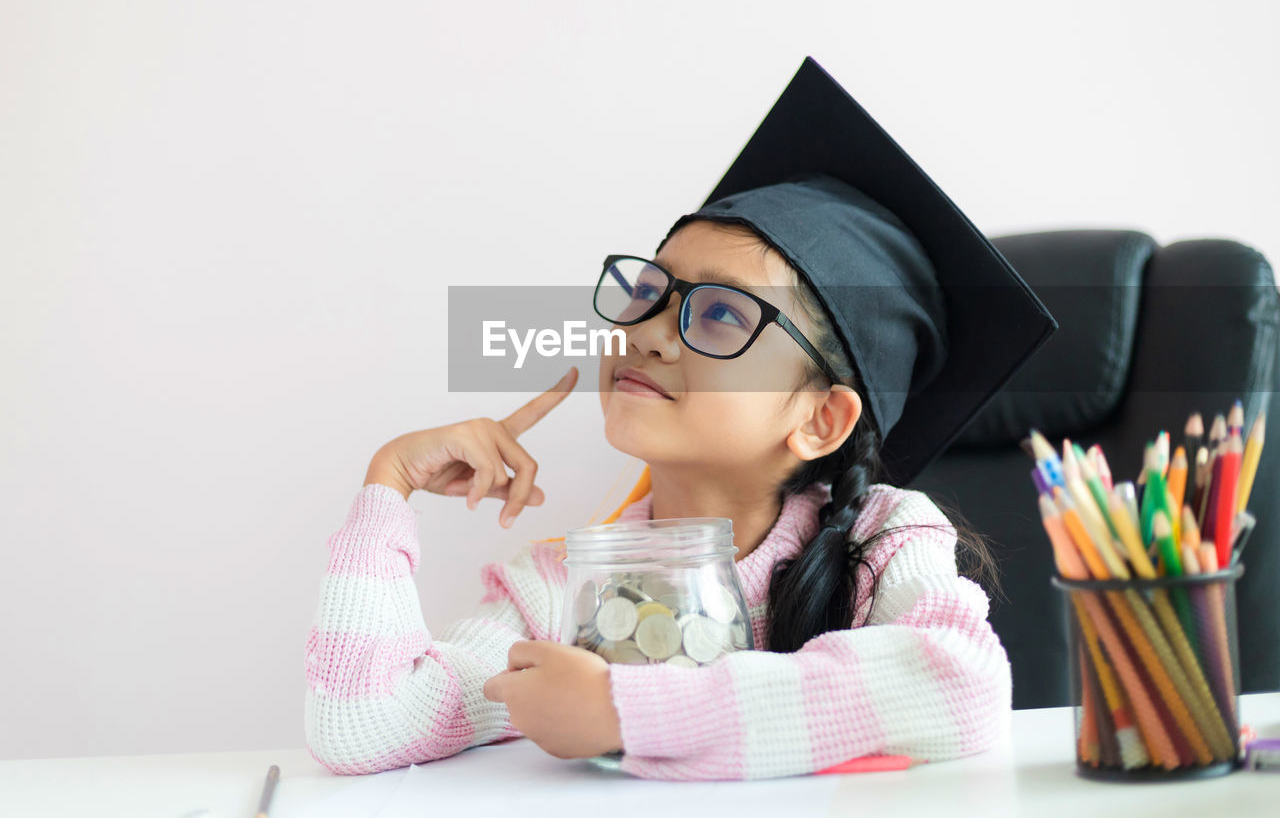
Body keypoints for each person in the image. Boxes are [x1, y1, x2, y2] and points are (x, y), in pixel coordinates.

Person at [303, 57, 1058, 780]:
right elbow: (365, 722)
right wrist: (388, 484)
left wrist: (623, 711)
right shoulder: (561, 585)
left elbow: (963, 683)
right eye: (650, 291)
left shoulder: (880, 546)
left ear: (821, 419)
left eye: (722, 311)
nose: (649, 330)